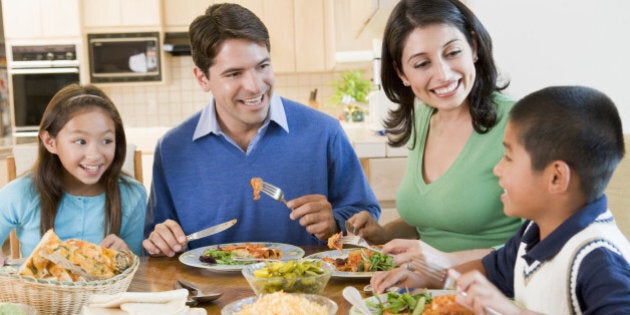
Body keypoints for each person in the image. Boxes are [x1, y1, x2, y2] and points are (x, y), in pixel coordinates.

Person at [142, 3, 380, 257]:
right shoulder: (172, 149)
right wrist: (160, 242)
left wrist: (335, 224)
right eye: (234, 74)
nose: (255, 86)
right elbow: (154, 243)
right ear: (202, 79)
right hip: (207, 294)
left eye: (262, 66)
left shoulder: (324, 132)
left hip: (304, 292)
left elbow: (366, 218)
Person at [378, 86, 630, 313]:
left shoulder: (598, 259)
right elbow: (491, 270)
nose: (497, 169)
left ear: (555, 177)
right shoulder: (534, 232)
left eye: (508, 157)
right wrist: (431, 276)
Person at [347, 0, 522, 270]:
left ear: (473, 47)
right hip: (427, 289)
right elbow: (434, 225)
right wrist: (383, 234)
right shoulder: (423, 117)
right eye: (421, 63)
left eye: (452, 52)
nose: (443, 74)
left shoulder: (519, 123)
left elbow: (542, 247)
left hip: (496, 297)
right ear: (401, 73)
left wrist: (448, 262)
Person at [0, 83, 147, 261]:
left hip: (112, 290)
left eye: (107, 140)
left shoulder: (132, 194)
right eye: (80, 141)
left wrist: (127, 255)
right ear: (50, 142)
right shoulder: (21, 193)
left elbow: (138, 270)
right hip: (39, 290)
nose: (94, 155)